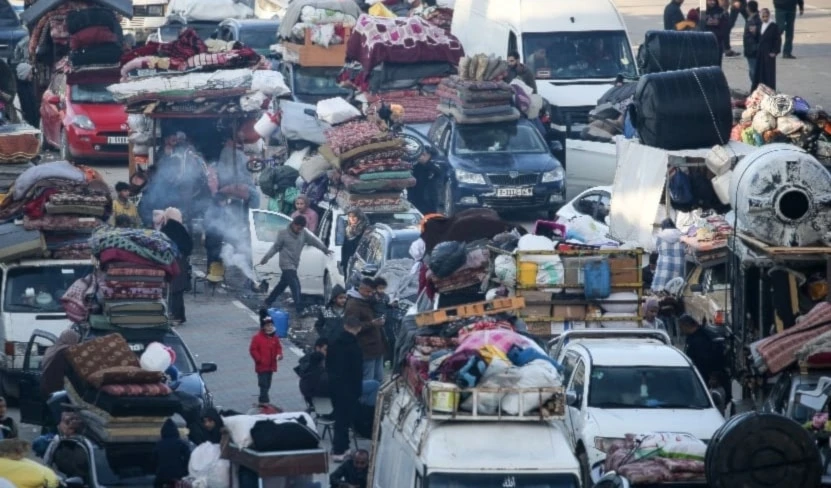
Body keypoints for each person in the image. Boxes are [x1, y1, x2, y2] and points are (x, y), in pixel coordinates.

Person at [260, 215, 332, 312]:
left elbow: (315, 241)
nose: (299, 230)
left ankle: (268, 301)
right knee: (295, 285)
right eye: (298, 228)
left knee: (282, 285)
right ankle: (299, 309)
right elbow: (275, 248)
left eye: (301, 228)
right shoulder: (283, 234)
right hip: (285, 264)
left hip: (294, 264)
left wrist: (325, 250)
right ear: (293, 224)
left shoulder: (303, 233)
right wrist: (266, 258)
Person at [327, 315, 364, 462]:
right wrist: (358, 391)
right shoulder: (355, 347)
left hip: (335, 386)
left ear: (345, 326)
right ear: (358, 328)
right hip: (349, 388)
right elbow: (357, 372)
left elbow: (328, 365)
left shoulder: (333, 343)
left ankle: (345, 446)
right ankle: (338, 450)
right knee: (344, 420)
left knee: (340, 418)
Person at [679, 314, 729, 398]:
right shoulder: (694, 336)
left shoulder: (700, 339)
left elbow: (705, 361)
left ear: (686, 325)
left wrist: (712, 377)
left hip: (705, 378)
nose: (681, 330)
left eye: (681, 327)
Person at [346, 278, 386, 383]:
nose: (370, 294)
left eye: (372, 292)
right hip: (366, 349)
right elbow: (352, 328)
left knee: (379, 379)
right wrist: (372, 323)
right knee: (368, 380)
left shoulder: (367, 301)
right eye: (368, 292)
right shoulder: (353, 305)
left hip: (376, 347)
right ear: (360, 289)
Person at [160, 207, 193, 325]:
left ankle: (175, 316)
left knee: (174, 290)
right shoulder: (181, 228)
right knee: (178, 291)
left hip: (173, 262)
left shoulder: (167, 228)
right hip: (181, 262)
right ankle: (179, 316)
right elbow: (189, 246)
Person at [249, 314, 284, 404]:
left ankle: (263, 400)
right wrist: (259, 359)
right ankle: (264, 401)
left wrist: (279, 355)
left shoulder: (275, 338)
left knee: (268, 383)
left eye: (271, 325)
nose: (270, 327)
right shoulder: (257, 338)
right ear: (263, 327)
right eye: (267, 326)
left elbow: (278, 348)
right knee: (263, 384)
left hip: (271, 365)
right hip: (262, 366)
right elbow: (253, 350)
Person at [153, 418, 191, 488]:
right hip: (178, 475)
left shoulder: (159, 444)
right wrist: (184, 470)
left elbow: (154, 460)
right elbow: (188, 457)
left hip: (162, 475)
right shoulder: (181, 443)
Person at [651, 219, 685, 293]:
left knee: (660, 292)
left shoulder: (659, 236)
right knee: (676, 290)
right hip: (679, 266)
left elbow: (654, 250)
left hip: (664, 266)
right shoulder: (682, 236)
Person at [754, 8, 782, 90]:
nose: (765, 18)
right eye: (763, 17)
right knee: (760, 72)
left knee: (769, 73)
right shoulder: (759, 25)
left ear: (769, 16)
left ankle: (769, 90)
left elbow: (777, 40)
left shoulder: (773, 26)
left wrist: (775, 51)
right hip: (760, 53)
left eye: (766, 16)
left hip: (769, 53)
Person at [341, 208, 370, 275]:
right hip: (348, 260)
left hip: (359, 261)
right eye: (350, 216)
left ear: (359, 217)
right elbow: (345, 246)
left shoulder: (365, 229)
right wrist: (343, 261)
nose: (352, 219)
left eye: (354, 216)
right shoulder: (348, 229)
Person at [743, 1, 763, 86]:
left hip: (753, 49)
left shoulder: (754, 20)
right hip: (752, 49)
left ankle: (756, 88)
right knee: (753, 71)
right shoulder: (754, 18)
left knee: (754, 71)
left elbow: (754, 36)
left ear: (748, 9)